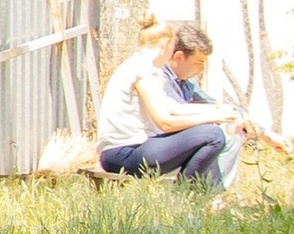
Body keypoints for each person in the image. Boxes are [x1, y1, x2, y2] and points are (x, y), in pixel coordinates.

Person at [99, 20, 249, 188]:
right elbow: (165, 122)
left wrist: (221, 111)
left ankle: (200, 193)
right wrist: (215, 117)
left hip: (122, 152)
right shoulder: (144, 71)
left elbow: (176, 108)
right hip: (125, 154)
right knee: (212, 135)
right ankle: (186, 197)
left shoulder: (140, 65)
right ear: (166, 44)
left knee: (207, 132)